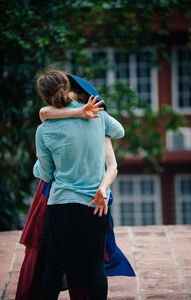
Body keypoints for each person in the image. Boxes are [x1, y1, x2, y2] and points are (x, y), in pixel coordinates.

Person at [33, 68, 125, 300]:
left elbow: (45, 174)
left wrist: (37, 166)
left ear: (44, 96)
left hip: (61, 204)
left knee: (53, 267)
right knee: (95, 266)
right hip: (95, 203)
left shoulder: (43, 130)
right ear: (68, 87)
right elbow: (120, 131)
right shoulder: (97, 116)